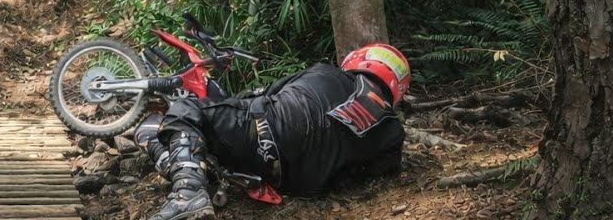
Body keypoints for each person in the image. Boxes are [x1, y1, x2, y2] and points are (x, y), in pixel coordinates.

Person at [136, 44, 410, 220]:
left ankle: (189, 192)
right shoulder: (392, 133)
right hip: (295, 182)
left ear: (359, 60)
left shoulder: (325, 72)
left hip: (263, 132)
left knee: (176, 115)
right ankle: (206, 174)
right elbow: (362, 174)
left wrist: (220, 111)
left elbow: (260, 97)